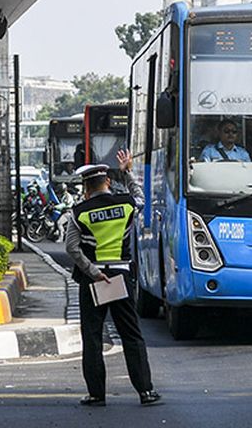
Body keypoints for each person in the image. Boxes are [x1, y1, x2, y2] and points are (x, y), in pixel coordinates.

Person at [65, 151, 160, 408]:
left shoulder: (80, 212)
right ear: (107, 181)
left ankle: (97, 394)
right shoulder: (126, 204)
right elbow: (142, 197)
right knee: (131, 333)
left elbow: (72, 247)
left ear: (86, 187)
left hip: (94, 278)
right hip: (120, 276)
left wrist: (93, 271)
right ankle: (145, 392)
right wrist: (127, 171)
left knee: (93, 336)